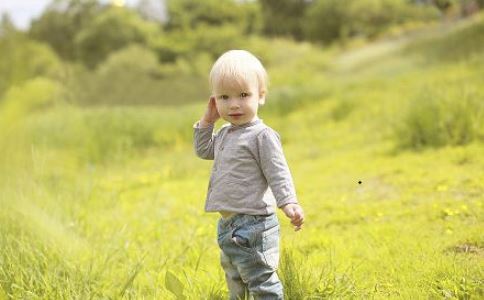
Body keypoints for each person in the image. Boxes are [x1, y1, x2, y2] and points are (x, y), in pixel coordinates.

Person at [193, 49, 304, 299]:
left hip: (254, 225)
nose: (233, 104)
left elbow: (278, 172)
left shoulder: (261, 136)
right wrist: (207, 122)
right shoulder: (223, 134)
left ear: (261, 96)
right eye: (224, 97)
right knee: (235, 278)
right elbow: (202, 150)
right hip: (228, 225)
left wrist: (288, 202)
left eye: (243, 95)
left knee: (260, 280)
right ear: (215, 100)